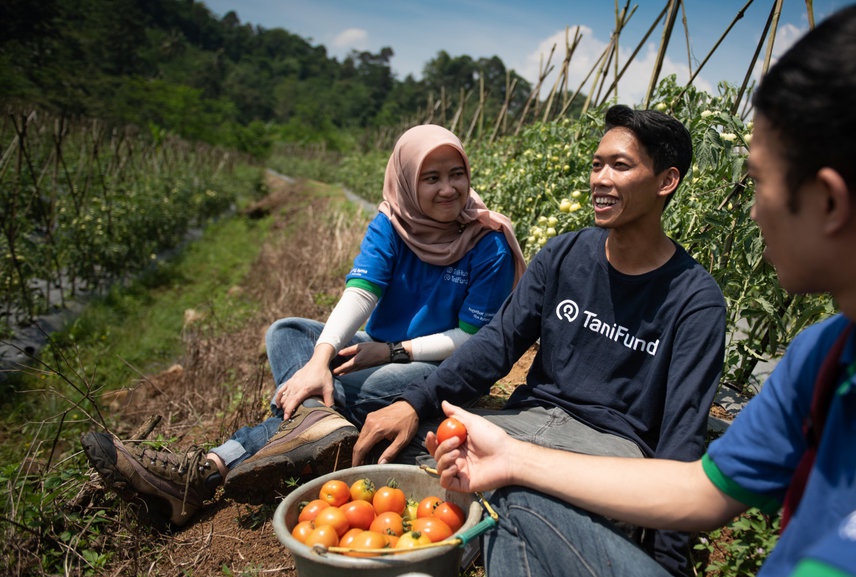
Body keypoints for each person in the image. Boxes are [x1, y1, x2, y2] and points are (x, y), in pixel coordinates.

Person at [428, 2, 856, 576]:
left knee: (524, 504)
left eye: (760, 182)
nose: (755, 211)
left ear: (828, 201)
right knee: (518, 494)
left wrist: (521, 469)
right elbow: (700, 490)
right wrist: (514, 457)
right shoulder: (827, 351)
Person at [80, 124, 527, 526]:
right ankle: (315, 422)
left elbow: (470, 340)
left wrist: (393, 351)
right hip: (379, 347)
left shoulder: (487, 243)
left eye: (456, 174)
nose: (448, 189)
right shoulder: (393, 223)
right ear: (407, 181)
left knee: (348, 387)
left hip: (439, 370)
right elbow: (362, 292)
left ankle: (206, 471)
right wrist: (318, 361)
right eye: (431, 178)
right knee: (288, 333)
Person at [354, 105, 727, 575]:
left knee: (519, 497)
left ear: (666, 181)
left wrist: (667, 560)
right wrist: (413, 403)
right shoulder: (564, 255)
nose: (600, 179)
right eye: (597, 164)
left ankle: (507, 523)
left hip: (607, 452)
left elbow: (682, 433)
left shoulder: (695, 300)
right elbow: (496, 345)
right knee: (404, 451)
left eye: (620, 165)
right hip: (524, 424)